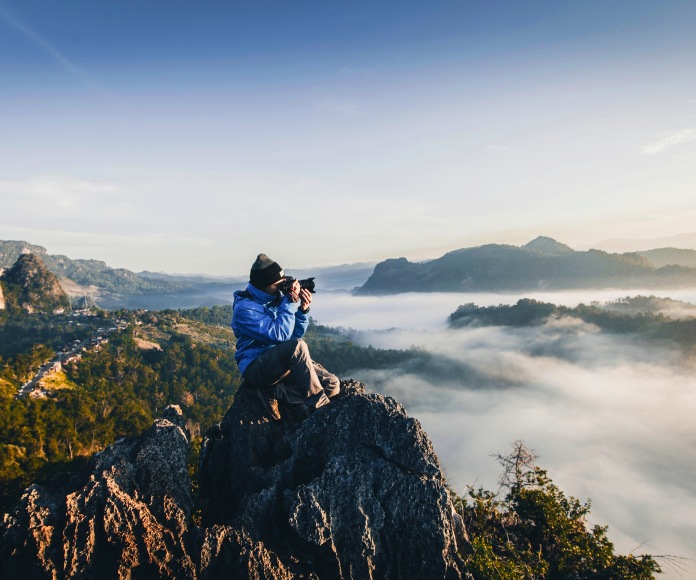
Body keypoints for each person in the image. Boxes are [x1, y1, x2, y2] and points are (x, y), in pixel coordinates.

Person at [231, 253, 340, 420]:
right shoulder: (245, 309)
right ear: (264, 285)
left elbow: (291, 337)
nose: (283, 288)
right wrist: (288, 302)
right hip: (257, 367)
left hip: (280, 364)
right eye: (279, 285)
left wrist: (303, 311)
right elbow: (280, 336)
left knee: (332, 385)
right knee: (298, 346)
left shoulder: (275, 299)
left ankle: (275, 392)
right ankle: (320, 409)